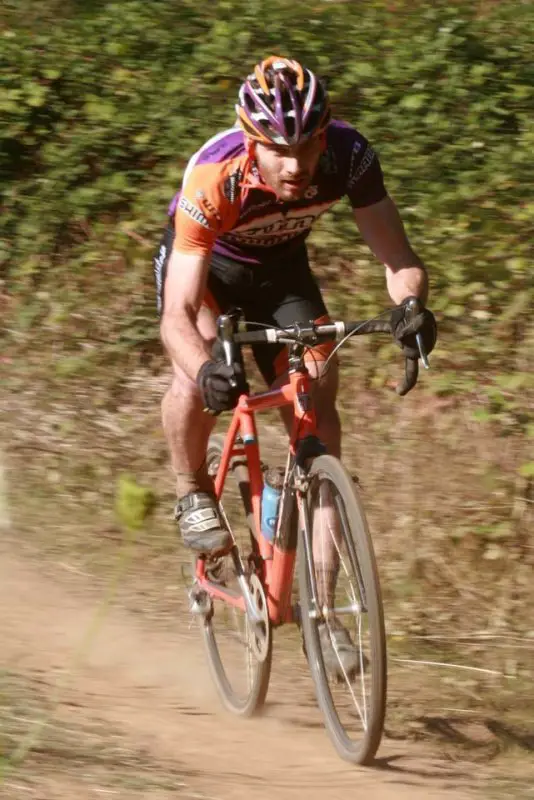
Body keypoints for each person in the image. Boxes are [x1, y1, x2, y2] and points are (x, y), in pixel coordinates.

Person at [154, 56, 437, 676]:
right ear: (250, 141)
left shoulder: (349, 156)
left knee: (317, 395)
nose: (295, 163)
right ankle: (189, 490)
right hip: (207, 276)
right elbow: (174, 315)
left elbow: (398, 257)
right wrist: (205, 368)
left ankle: (323, 612)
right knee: (195, 365)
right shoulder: (214, 175)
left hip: (281, 273)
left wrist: (412, 306)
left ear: (324, 134)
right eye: (276, 149)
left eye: (306, 144)